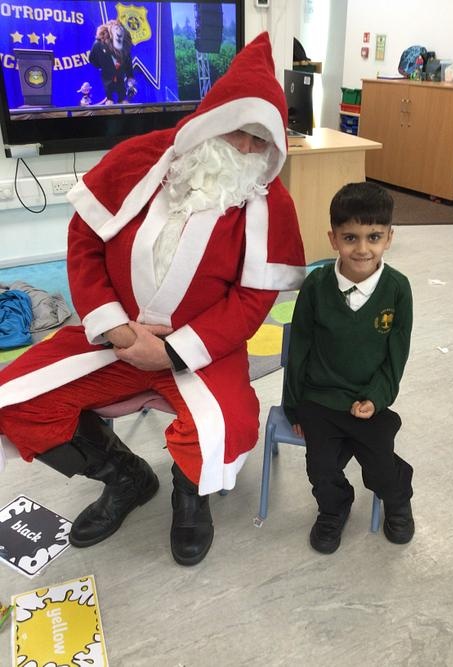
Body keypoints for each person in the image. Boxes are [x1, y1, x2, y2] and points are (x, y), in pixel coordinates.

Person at [0, 33, 305, 566]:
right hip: (112, 339)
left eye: (261, 141)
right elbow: (85, 241)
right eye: (238, 130)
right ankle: (126, 478)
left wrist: (172, 352)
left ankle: (190, 497)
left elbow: (252, 300)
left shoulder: (267, 201)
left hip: (202, 351)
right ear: (211, 120)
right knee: (16, 401)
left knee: (231, 423)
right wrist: (117, 328)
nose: (246, 150)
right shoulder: (137, 159)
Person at [283, 181, 414, 555]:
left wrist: (376, 397)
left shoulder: (398, 289)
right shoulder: (315, 286)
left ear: (389, 238)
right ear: (333, 238)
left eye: (374, 237)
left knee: (381, 468)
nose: (362, 248)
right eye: (350, 237)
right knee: (320, 469)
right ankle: (334, 507)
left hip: (368, 402)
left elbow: (395, 358)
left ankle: (398, 499)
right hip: (320, 400)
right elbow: (300, 348)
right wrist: (295, 406)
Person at [89, 19, 136, 104]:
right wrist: (101, 66)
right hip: (106, 75)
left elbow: (128, 64)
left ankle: (122, 99)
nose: (119, 30)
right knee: (108, 86)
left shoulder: (125, 48)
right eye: (116, 28)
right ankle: (109, 98)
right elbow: (92, 58)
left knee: (120, 86)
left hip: (120, 76)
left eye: (120, 28)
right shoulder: (99, 44)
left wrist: (130, 77)